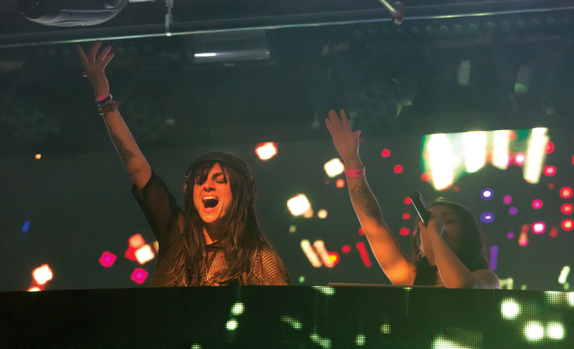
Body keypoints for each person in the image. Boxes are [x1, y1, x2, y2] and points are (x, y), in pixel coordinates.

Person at [77, 41, 289, 286]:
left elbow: (285, 316)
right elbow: (137, 168)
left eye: (219, 181)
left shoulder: (259, 258)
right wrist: (104, 98)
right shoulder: (177, 233)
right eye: (200, 181)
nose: (207, 186)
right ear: (189, 191)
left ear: (239, 194)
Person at [325, 109, 499, 289]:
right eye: (426, 220)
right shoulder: (409, 277)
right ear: (420, 246)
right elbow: (373, 224)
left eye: (446, 220)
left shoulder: (486, 278)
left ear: (467, 235)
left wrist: (435, 235)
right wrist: (352, 160)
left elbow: (461, 287)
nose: (434, 223)